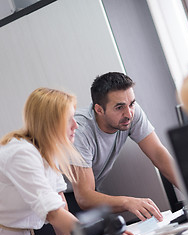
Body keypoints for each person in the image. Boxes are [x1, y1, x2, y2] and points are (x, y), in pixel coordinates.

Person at [70, 72, 179, 222]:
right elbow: (84, 198)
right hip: (61, 196)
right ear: (99, 110)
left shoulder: (130, 112)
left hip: (88, 192)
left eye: (132, 104)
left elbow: (158, 154)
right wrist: (128, 202)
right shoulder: (80, 131)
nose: (129, 113)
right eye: (119, 107)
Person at [0, 88, 82, 235]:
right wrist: (96, 231)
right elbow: (52, 213)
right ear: (51, 122)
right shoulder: (22, 154)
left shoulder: (48, 151)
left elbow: (59, 201)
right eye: (69, 119)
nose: (76, 125)